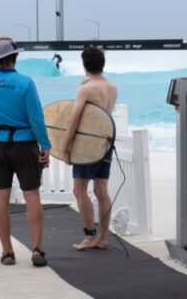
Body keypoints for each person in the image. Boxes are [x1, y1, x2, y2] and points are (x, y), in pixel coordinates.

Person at [0, 37, 51, 267]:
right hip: (23, 144)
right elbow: (36, 118)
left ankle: (7, 252)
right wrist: (45, 145)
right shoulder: (25, 83)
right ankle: (37, 250)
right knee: (32, 195)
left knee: (1, 198)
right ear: (15, 57)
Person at [63, 47, 118, 251]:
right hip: (106, 140)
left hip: (88, 144)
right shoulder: (112, 87)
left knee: (79, 190)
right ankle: (103, 238)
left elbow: (74, 120)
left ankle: (89, 236)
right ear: (102, 64)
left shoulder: (85, 89)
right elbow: (100, 113)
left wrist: (65, 149)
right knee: (101, 189)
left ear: (85, 65)